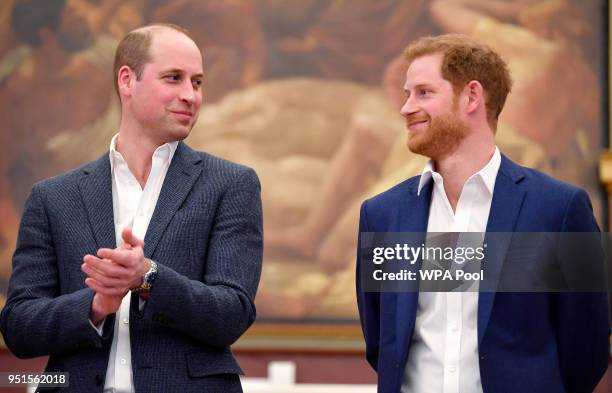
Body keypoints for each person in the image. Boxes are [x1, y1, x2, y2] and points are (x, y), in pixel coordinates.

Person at [0, 23, 262, 393]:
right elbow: (19, 328)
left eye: (198, 82)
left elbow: (232, 313)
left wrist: (149, 277)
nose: (190, 95)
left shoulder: (231, 185)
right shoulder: (53, 196)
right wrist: (95, 304)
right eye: (174, 78)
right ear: (127, 80)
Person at [356, 34, 609, 393]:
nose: (406, 107)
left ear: (472, 96)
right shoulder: (381, 214)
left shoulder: (560, 209)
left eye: (424, 92)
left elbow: (588, 345)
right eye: (407, 93)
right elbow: (382, 342)